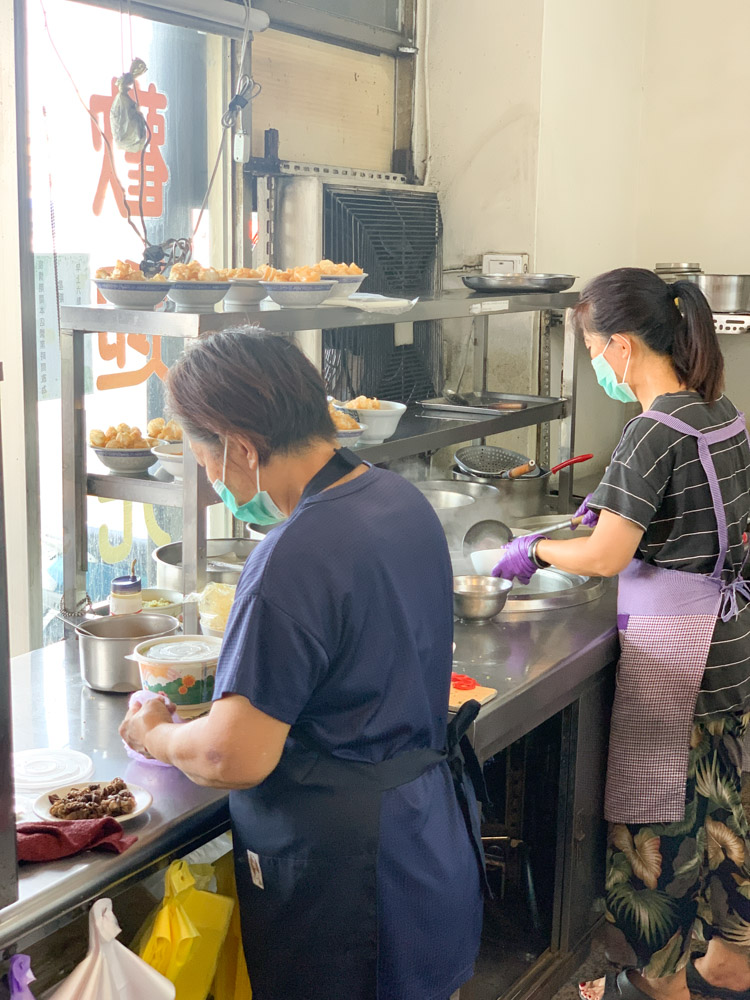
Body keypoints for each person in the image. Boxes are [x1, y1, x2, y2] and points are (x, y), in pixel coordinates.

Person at [120, 328, 485, 1000]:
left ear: (240, 447)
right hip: (422, 845)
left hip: (346, 884)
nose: (216, 488)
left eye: (208, 469)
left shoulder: (293, 554)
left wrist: (156, 733)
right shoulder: (397, 501)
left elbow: (236, 756)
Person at [491, 269, 750, 1000]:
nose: (595, 363)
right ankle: (732, 965)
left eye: (593, 347)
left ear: (624, 346)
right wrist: (594, 516)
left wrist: (535, 551)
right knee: (727, 813)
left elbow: (605, 557)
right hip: (731, 653)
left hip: (675, 664)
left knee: (656, 836)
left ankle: (661, 986)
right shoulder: (718, 413)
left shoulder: (649, 431)